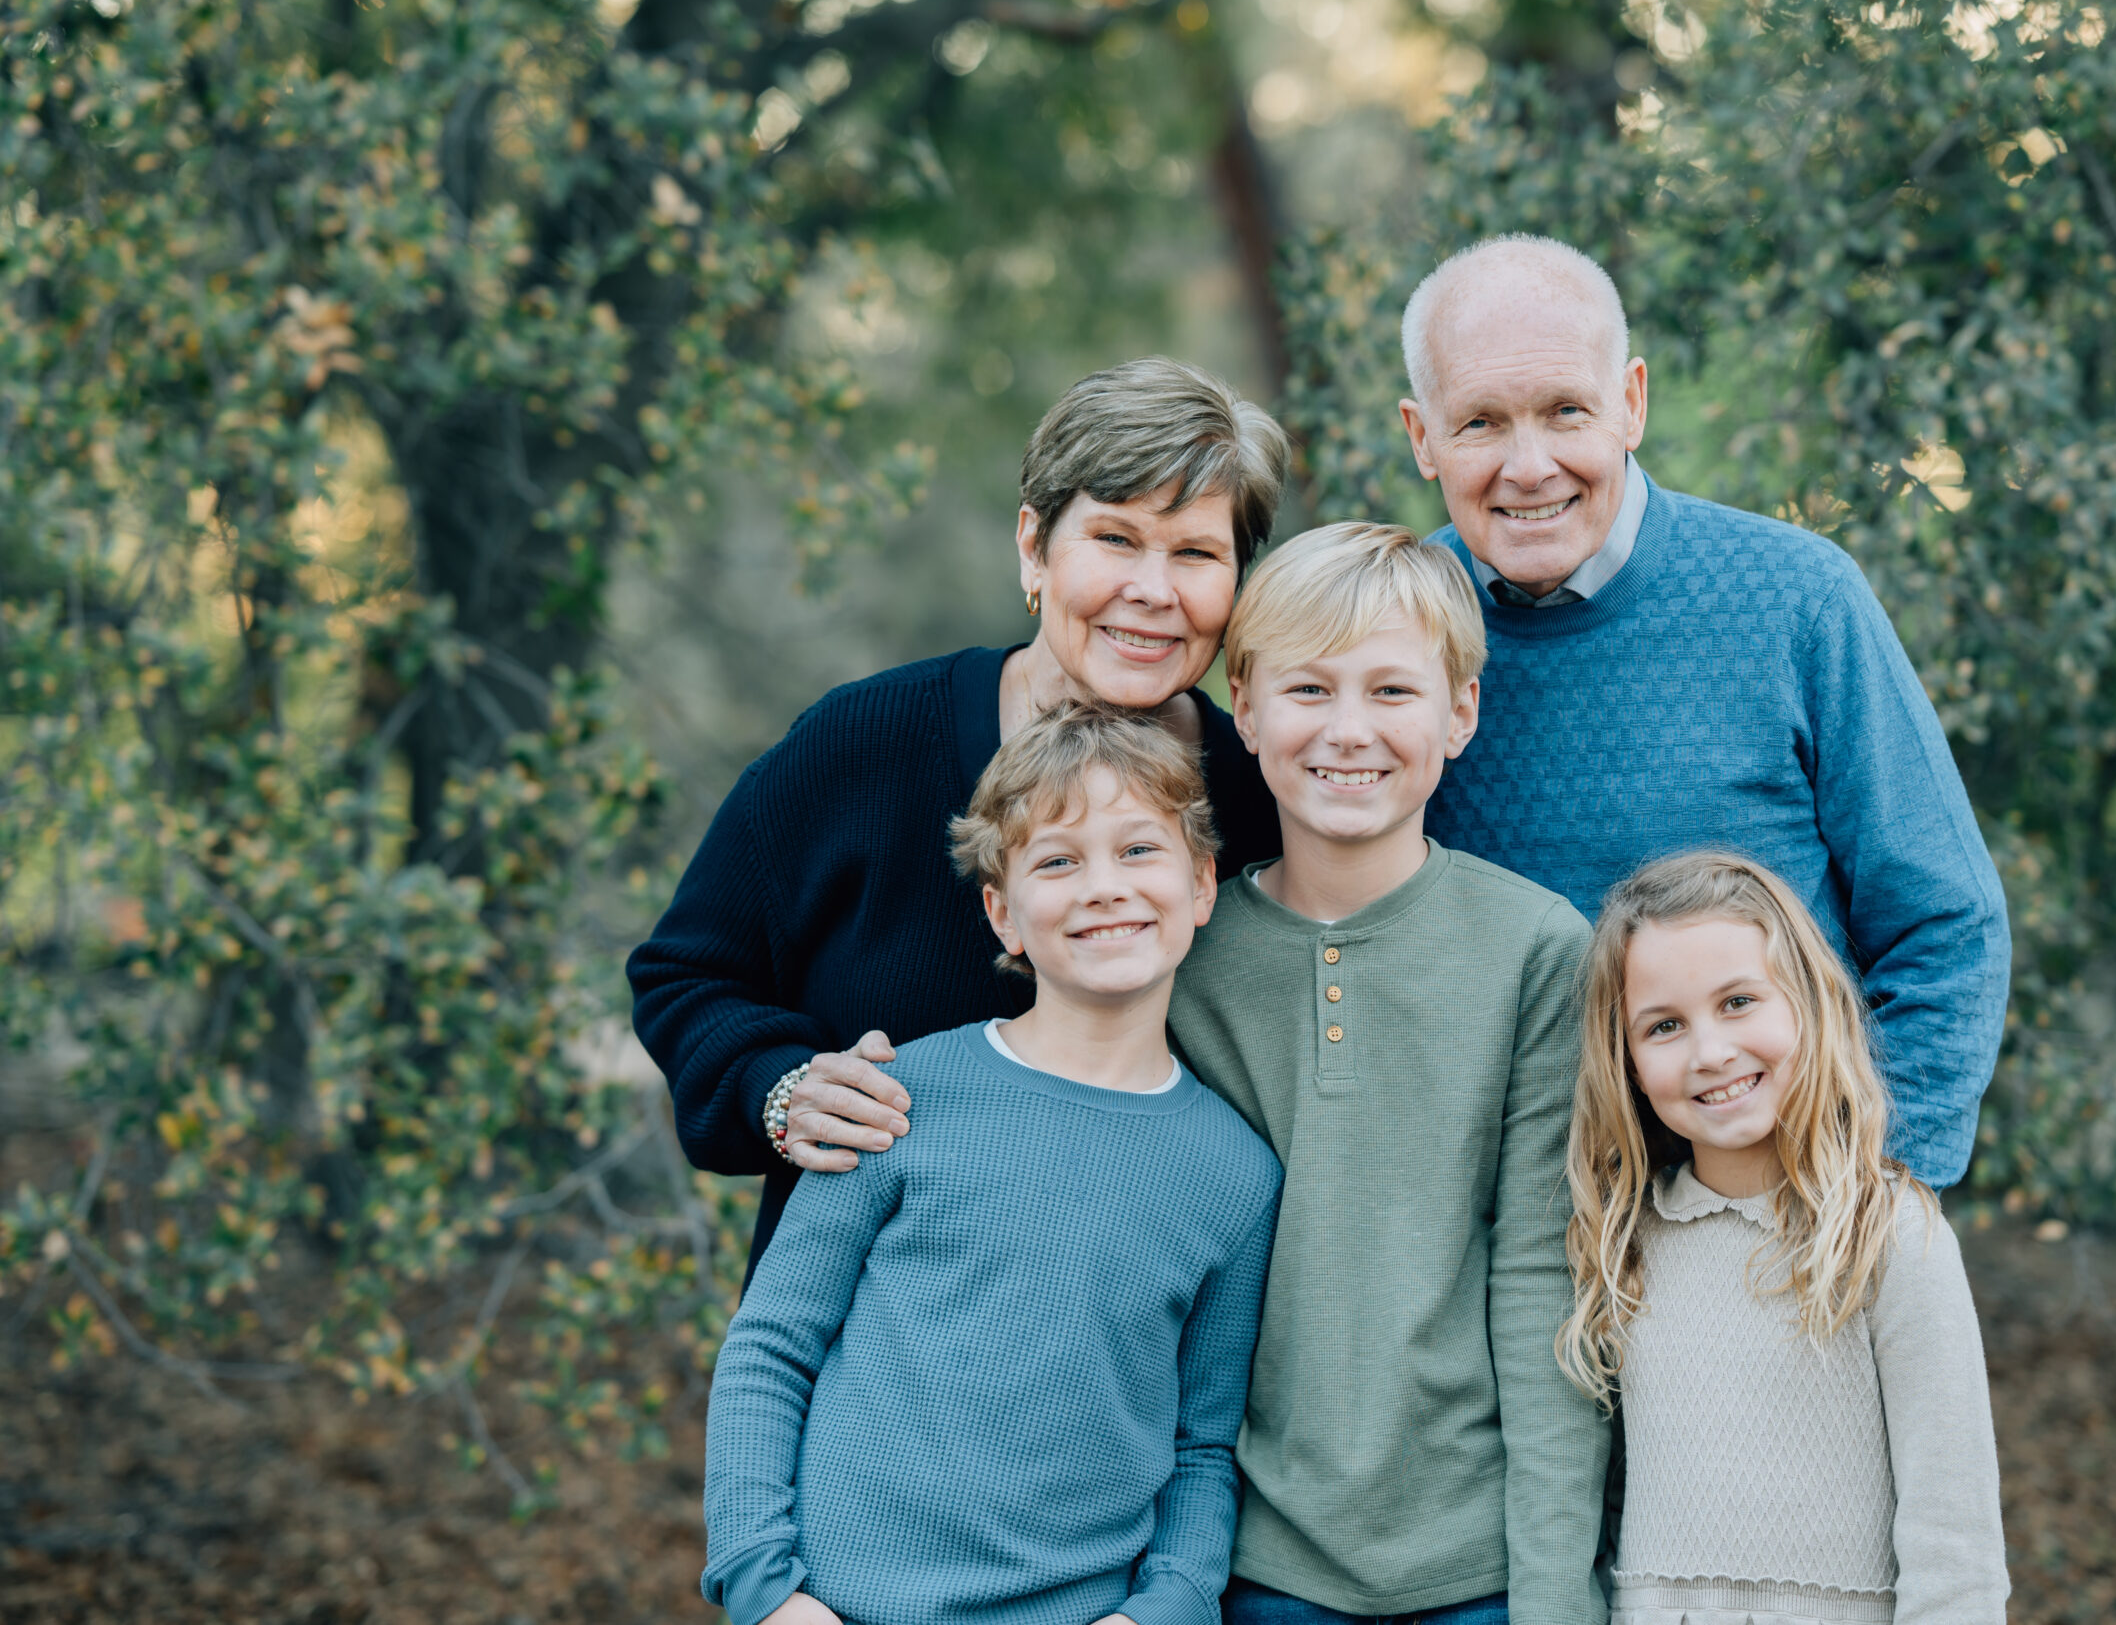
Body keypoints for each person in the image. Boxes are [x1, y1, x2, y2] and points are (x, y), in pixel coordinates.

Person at [628, 358, 1288, 1276]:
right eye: (1115, 537)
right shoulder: (865, 743)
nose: (1153, 588)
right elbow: (686, 974)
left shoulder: (1262, 807)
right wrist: (778, 1088)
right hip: (863, 1362)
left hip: (1126, 1380)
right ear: (1033, 545)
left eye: (1195, 553)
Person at [1396, 234, 2009, 1190]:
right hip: (1518, 1247)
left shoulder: (1798, 599)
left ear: (1632, 402)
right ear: (1421, 434)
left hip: (1788, 1227)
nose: (1528, 466)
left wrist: (1877, 1193)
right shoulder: (1395, 639)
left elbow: (1946, 924)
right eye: (1479, 423)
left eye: (1567, 411)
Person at [701, 707, 1282, 1625]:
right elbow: (772, 1348)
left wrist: (1165, 1605)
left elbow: (1202, 1442)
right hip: (837, 1608)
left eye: (1139, 850)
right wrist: (765, 1585)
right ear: (1002, 911)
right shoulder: (897, 1097)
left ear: (1203, 882)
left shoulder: (1236, 1173)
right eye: (1058, 861)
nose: (1104, 888)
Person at [1162, 523, 1611, 1625]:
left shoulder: (1536, 947)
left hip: (1480, 1570)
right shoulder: (1178, 955)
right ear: (1247, 705)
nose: (1348, 729)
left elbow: (1540, 1277)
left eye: (1392, 690)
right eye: (1308, 688)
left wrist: (1556, 1592)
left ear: (1459, 711)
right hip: (1248, 1561)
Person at [1558, 851, 2008, 1625]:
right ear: (1625, 1061)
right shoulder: (1622, 1245)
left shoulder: (1889, 1235)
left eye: (1738, 1001)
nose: (1709, 1051)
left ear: (1808, 1002)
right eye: (1664, 1025)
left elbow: (1956, 1548)